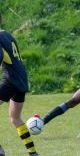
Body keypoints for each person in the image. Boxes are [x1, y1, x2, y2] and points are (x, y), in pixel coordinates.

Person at [0, 12, 39, 156]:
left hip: (11, 80)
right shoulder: (8, 35)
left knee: (15, 117)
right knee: (14, 117)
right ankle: (33, 153)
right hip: (21, 79)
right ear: (1, 20)